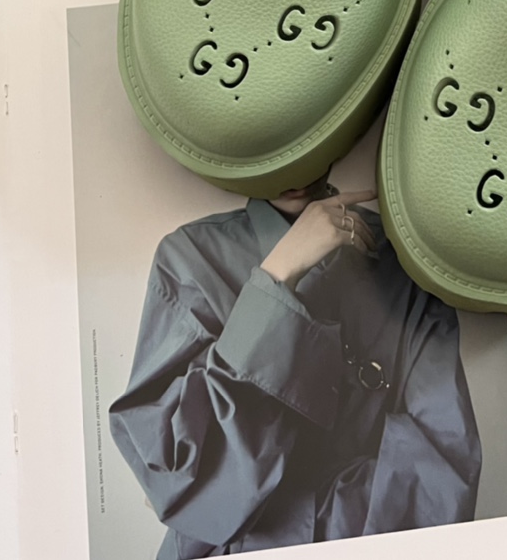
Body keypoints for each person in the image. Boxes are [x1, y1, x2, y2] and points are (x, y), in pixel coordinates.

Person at [108, 181, 482, 558]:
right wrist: (277, 277)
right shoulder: (191, 257)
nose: (292, 177)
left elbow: (442, 473)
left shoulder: (405, 262)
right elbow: (181, 482)